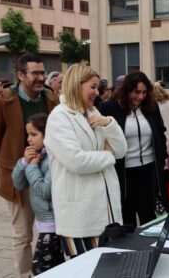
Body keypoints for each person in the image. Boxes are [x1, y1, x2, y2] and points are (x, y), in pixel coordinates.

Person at [0, 54, 59, 277]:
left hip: (49, 176)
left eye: (42, 73)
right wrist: (8, 163)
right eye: (35, 73)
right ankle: (25, 274)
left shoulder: (50, 98)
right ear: (20, 75)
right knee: (23, 235)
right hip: (19, 179)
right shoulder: (4, 100)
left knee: (53, 230)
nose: (40, 78)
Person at [44, 64, 127, 258]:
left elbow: (121, 151)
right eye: (92, 86)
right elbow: (77, 161)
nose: (97, 93)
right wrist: (108, 156)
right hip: (81, 216)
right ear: (76, 85)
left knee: (108, 268)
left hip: (107, 213)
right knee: (84, 269)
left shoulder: (93, 113)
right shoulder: (59, 118)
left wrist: (109, 123)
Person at [99, 71, 169, 227]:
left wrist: (162, 157)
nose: (141, 97)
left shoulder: (151, 107)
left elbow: (159, 132)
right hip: (123, 172)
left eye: (144, 92)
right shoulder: (109, 108)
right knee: (126, 218)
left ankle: (151, 250)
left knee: (150, 217)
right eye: (136, 92)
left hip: (149, 170)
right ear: (127, 90)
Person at [11, 114, 64, 275]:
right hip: (44, 223)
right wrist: (24, 163)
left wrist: (32, 167)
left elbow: (45, 191)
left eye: (34, 134)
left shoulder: (52, 160)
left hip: (53, 224)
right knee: (55, 266)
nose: (29, 139)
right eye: (28, 134)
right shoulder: (37, 156)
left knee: (40, 268)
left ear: (48, 135)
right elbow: (18, 183)